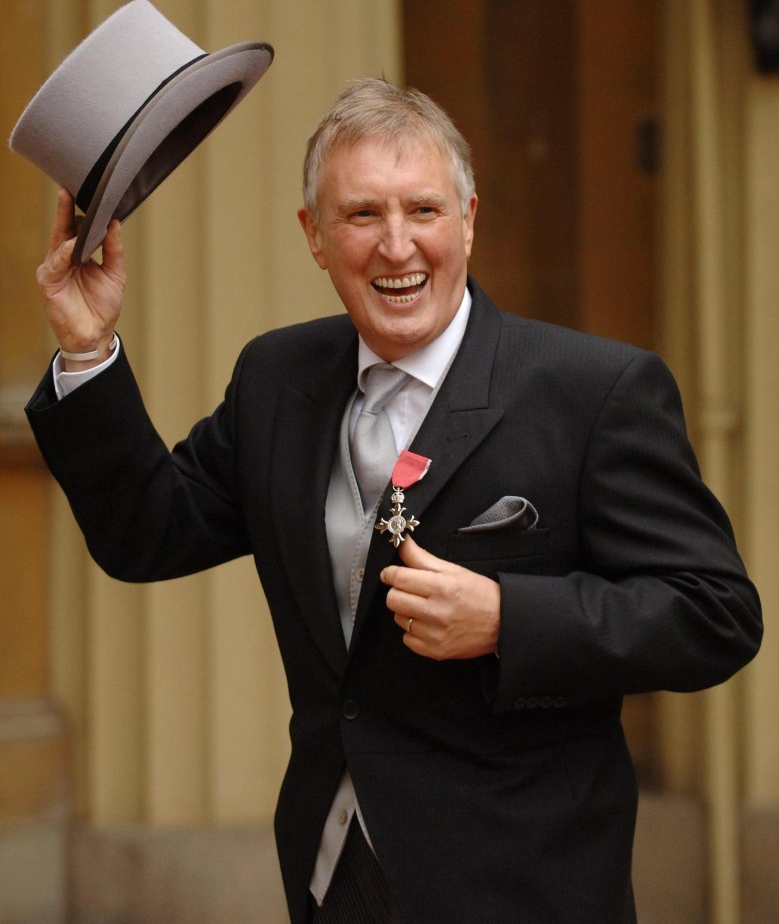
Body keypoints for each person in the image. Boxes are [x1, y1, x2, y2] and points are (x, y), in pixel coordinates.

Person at [26, 78, 761, 924]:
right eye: (362, 215)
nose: (397, 246)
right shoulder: (276, 378)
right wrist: (87, 349)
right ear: (314, 236)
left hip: (523, 883)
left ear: (469, 219)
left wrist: (508, 618)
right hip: (332, 873)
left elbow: (715, 615)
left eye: (424, 210)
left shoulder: (593, 391)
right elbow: (147, 535)